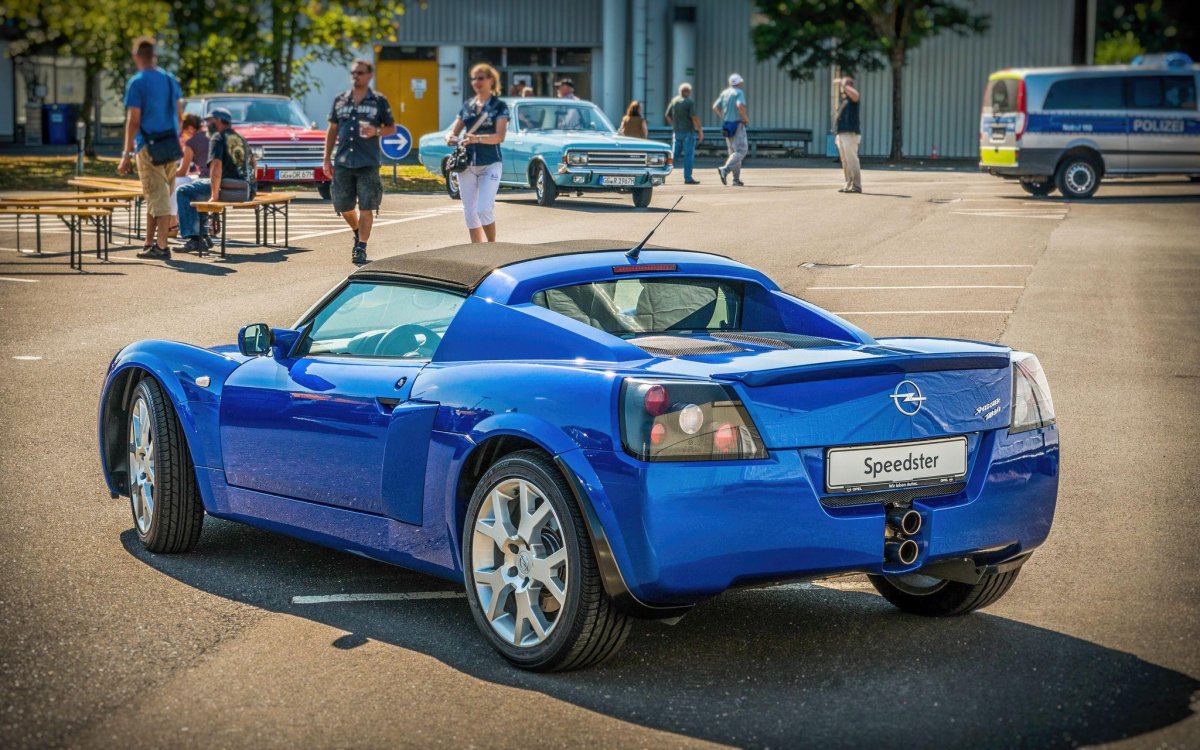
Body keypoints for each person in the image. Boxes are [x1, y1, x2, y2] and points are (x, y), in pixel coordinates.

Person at [323, 59, 397, 265]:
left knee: (366, 207)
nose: (356, 76)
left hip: (368, 162)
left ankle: (361, 247)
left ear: (369, 75)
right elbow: (332, 130)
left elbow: (392, 128)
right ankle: (357, 230)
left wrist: (377, 131)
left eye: (361, 73)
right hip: (343, 162)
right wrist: (326, 159)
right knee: (343, 206)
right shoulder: (340, 100)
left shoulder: (378, 101)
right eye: (354, 73)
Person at [117, 36, 182, 260]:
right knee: (155, 194)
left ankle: (161, 247)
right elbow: (179, 115)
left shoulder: (137, 82)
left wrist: (126, 154)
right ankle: (148, 242)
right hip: (170, 144)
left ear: (136, 56)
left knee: (158, 195)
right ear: (154, 56)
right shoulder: (169, 79)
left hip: (148, 144)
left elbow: (134, 120)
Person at [445, 63, 509, 244]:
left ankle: (491, 246)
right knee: (470, 211)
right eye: (474, 78)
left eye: (481, 78)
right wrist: (450, 137)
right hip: (466, 165)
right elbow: (454, 130)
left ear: (491, 80)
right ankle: (477, 250)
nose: (476, 82)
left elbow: (499, 136)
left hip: (490, 163)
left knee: (484, 209)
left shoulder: (499, 106)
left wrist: (477, 139)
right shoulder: (468, 106)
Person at [175, 108, 253, 253]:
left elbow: (216, 167)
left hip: (226, 188)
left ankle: (195, 239)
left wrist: (214, 195)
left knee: (183, 191)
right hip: (242, 190)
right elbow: (253, 161)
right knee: (197, 188)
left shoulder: (217, 137)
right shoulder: (240, 137)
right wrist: (252, 187)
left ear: (217, 121)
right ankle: (204, 236)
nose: (207, 125)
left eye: (209, 121)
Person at [169, 113, 208, 234]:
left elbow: (182, 172)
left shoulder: (191, 143)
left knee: (174, 184)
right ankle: (174, 224)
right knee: (179, 183)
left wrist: (167, 173)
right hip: (221, 180)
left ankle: (172, 223)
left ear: (190, 129)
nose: (182, 136)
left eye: (182, 132)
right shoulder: (212, 135)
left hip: (206, 181)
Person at [712, 73, 749, 186]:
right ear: (738, 82)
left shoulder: (724, 93)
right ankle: (725, 169)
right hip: (737, 125)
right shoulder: (738, 92)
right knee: (741, 150)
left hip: (727, 125)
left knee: (733, 153)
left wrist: (724, 116)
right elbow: (740, 106)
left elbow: (715, 107)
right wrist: (745, 118)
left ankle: (736, 180)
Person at [665, 82, 703, 184]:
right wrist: (700, 130)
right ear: (688, 91)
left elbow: (667, 115)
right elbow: (694, 117)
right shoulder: (689, 102)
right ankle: (688, 178)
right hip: (688, 132)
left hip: (677, 132)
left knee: (673, 156)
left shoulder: (674, 101)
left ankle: (662, 174)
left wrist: (673, 125)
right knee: (688, 156)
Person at [835, 75, 862, 193]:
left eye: (845, 85)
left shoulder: (853, 99)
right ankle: (848, 184)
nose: (841, 87)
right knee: (845, 161)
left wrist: (843, 83)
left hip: (850, 134)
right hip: (842, 134)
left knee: (852, 159)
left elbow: (856, 95)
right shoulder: (845, 100)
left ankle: (857, 186)